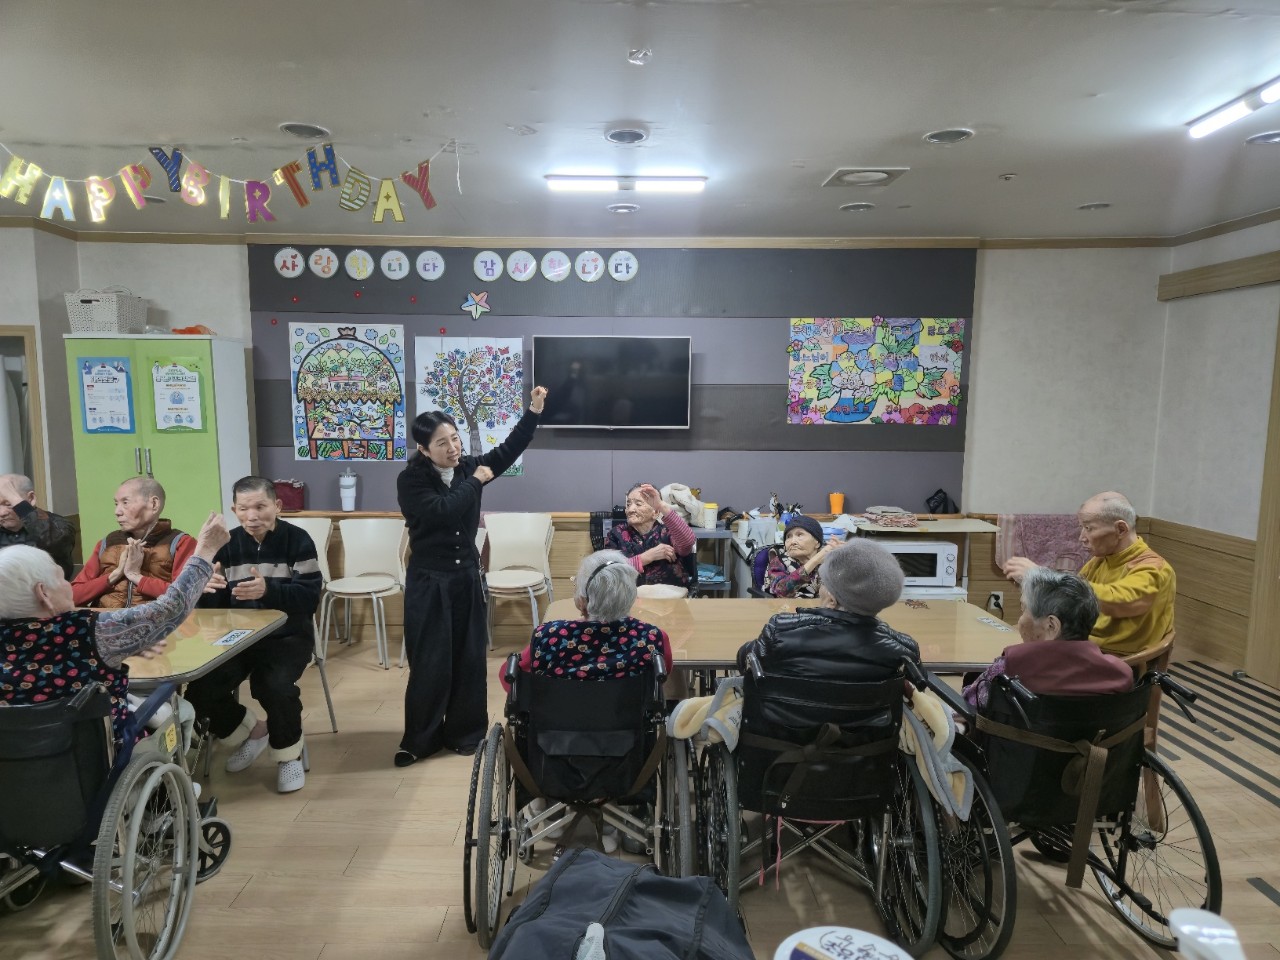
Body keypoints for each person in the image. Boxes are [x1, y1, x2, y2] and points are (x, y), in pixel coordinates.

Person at [395, 384, 549, 768]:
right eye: (442, 443)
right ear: (424, 450)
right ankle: (421, 740)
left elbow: (509, 450)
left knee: (468, 658)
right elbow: (443, 510)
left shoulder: (468, 467)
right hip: (429, 581)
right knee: (430, 661)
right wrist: (477, 481)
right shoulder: (411, 481)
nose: (453, 447)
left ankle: (465, 734)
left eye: (455, 438)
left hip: (466, 577)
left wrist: (533, 412)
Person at [0, 513, 228, 745]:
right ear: (44, 594)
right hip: (97, 754)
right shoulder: (88, 631)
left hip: (17, 759)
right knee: (177, 709)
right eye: (61, 579)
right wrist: (205, 551)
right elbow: (170, 609)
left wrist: (127, 645)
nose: (69, 586)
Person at [184, 477, 323, 794]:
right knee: (202, 689)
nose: (252, 515)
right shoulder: (227, 544)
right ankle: (254, 731)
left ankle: (288, 754)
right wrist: (207, 591)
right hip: (238, 638)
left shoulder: (298, 540)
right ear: (234, 510)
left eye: (260, 506)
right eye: (244, 508)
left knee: (273, 685)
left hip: (287, 636)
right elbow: (213, 610)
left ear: (277, 506)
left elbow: (309, 597)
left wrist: (268, 590)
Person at [1003, 491, 1175, 656]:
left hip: (1117, 660)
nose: (1082, 537)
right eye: (1082, 527)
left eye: (1089, 528)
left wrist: (1041, 575)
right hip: (1084, 647)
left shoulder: (1154, 568)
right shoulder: (1101, 560)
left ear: (1121, 529)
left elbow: (1116, 600)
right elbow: (1071, 601)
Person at [737, 538, 919, 680]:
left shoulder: (780, 632)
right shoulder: (905, 650)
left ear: (832, 600)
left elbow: (745, 659)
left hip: (793, 716)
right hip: (865, 718)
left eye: (823, 583)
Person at [500, 549, 673, 692]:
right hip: (627, 723)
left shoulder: (549, 636)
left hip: (559, 723)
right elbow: (663, 677)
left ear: (582, 600)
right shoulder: (652, 638)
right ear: (631, 595)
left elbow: (508, 678)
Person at [963, 567, 1134, 711]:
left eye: (1023, 609)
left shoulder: (1009, 667)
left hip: (1019, 742)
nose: (1019, 620)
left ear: (1051, 626)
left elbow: (967, 705)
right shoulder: (1119, 673)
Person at [72, 477, 196, 608]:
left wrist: (136, 576)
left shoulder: (180, 543)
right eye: (116, 504)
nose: (117, 512)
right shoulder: (108, 543)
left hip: (154, 619)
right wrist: (115, 574)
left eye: (125, 502)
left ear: (153, 504)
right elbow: (72, 597)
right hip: (106, 619)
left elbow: (185, 597)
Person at [605, 482, 696, 590]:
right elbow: (610, 572)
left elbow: (688, 542)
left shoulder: (668, 532)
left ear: (655, 512)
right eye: (628, 504)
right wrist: (647, 557)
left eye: (638, 504)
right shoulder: (616, 534)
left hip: (671, 598)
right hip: (631, 598)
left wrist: (661, 505)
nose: (630, 510)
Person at [0, 473, 76, 579]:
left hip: (47, 587)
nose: (2, 513)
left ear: (31, 499)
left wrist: (14, 498)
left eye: (9, 504)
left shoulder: (58, 525)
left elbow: (51, 543)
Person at [761, 514, 842, 599]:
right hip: (786, 607)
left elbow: (844, 590)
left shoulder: (828, 559)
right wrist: (815, 560)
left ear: (817, 543)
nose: (792, 541)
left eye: (799, 535)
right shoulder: (778, 561)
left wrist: (845, 556)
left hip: (823, 606)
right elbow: (781, 590)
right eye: (788, 536)